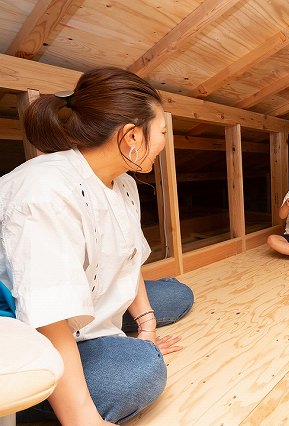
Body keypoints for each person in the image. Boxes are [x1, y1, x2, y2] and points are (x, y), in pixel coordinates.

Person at [0, 67, 194, 424]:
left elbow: (129, 258)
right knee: (137, 372)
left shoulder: (124, 183)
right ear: (132, 136)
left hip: (84, 299)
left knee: (179, 296)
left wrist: (147, 326)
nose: (166, 142)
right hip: (27, 328)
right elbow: (47, 317)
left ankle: (117, 339)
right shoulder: (45, 190)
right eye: (163, 131)